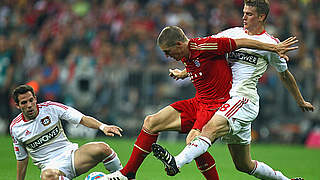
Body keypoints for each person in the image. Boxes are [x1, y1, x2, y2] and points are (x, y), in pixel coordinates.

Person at [105, 24, 297, 180]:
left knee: (193, 141)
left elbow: (240, 42)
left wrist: (274, 48)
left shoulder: (206, 45)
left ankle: (181, 165)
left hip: (216, 106)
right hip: (199, 103)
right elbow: (200, 66)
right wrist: (183, 73)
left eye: (168, 52)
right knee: (151, 122)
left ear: (180, 44)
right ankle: (127, 173)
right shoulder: (186, 54)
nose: (167, 57)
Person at [151, 1, 315, 180]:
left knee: (208, 128)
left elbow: (285, 75)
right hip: (228, 102)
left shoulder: (272, 44)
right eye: (244, 12)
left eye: (250, 14)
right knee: (244, 165)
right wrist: (184, 72)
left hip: (244, 99)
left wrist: (300, 100)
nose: (244, 17)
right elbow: (204, 53)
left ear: (262, 17)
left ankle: (176, 162)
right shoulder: (232, 33)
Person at [10, 84, 123, 180]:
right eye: (24, 103)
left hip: (72, 156)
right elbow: (22, 158)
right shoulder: (16, 128)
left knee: (103, 148)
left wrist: (103, 127)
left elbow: (82, 118)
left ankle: (125, 176)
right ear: (17, 105)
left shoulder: (51, 108)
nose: (29, 105)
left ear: (35, 98)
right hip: (51, 167)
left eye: (31, 100)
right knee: (47, 176)